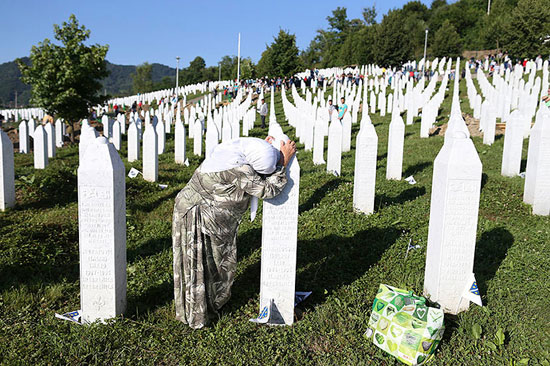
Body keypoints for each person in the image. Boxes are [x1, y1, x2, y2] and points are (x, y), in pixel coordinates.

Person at [172, 136, 297, 329]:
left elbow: (249, 168)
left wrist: (262, 154)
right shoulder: (241, 170)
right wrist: (283, 163)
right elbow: (269, 190)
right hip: (200, 216)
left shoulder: (231, 152)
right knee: (209, 261)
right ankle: (203, 311)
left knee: (200, 262)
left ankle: (199, 305)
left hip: (188, 208)